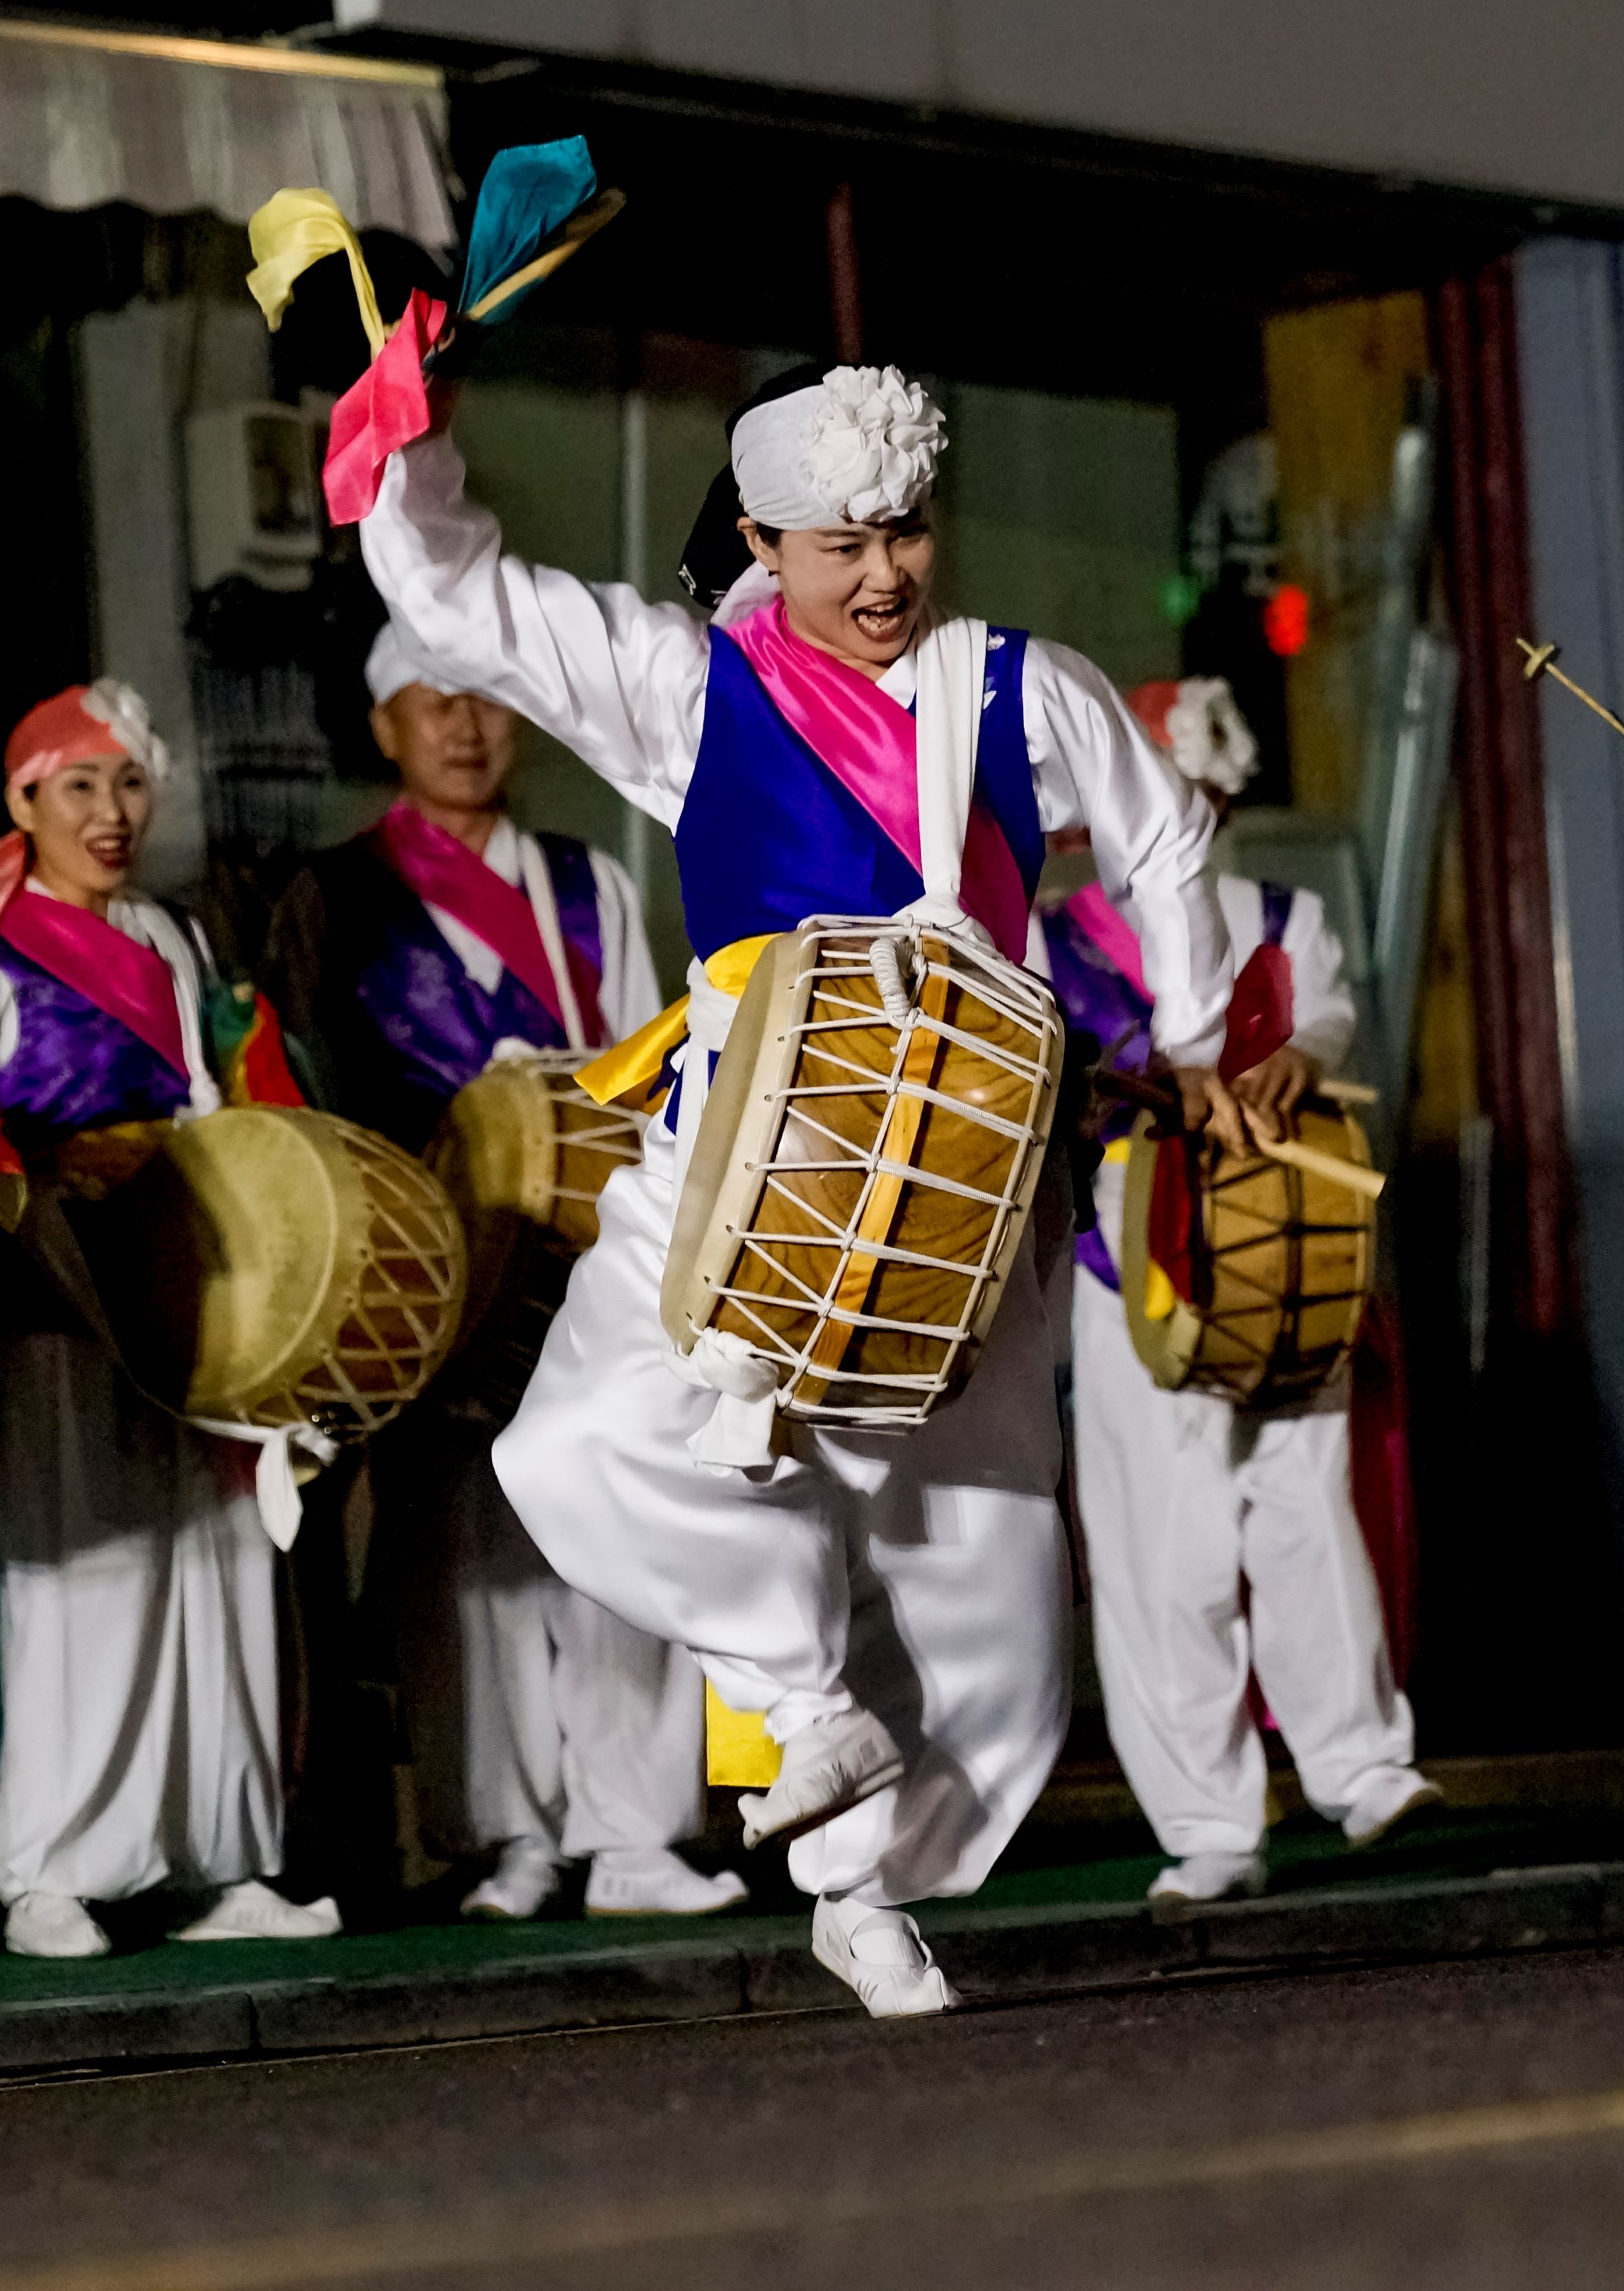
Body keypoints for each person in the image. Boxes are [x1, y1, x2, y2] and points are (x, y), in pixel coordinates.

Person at [359, 364, 1240, 2014]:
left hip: (962, 1188)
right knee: (570, 1445)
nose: (883, 573)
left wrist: (1192, 1035)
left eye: (904, 532)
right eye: (841, 544)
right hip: (736, 1158)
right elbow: (460, 597)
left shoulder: (1017, 690)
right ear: (762, 540)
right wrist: (407, 431)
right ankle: (794, 1686)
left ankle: (861, 1885)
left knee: (1000, 1653)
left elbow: (1163, 834)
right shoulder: (682, 682)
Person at [267, 625, 743, 1923]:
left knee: (619, 1525)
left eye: (487, 702)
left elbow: (653, 1059)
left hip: (590, 1247)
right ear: (386, 728)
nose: (467, 728)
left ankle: (636, 1831)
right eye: (436, 704)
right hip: (439, 1261)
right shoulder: (334, 895)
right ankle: (504, 1834)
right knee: (459, 1548)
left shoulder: (588, 882)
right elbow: (313, 1087)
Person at [0, 681, 343, 1960]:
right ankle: (51, 1873)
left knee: (215, 1567)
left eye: (131, 784)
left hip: (186, 1276)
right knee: (80, 1569)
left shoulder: (167, 934)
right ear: (23, 801)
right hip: (54, 1289)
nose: (111, 812)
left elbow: (217, 1093)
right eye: (81, 786)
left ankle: (221, 1859)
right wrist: (50, 1178)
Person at [1044, 678, 1434, 1913]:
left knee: (1308, 1507)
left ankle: (1360, 1766)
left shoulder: (1284, 915)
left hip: (1275, 1242)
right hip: (1127, 1265)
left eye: (1200, 792)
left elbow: (1327, 1016)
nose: (1185, 811)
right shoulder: (1049, 939)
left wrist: (1294, 1061)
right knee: (1161, 1546)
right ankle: (1208, 1822)